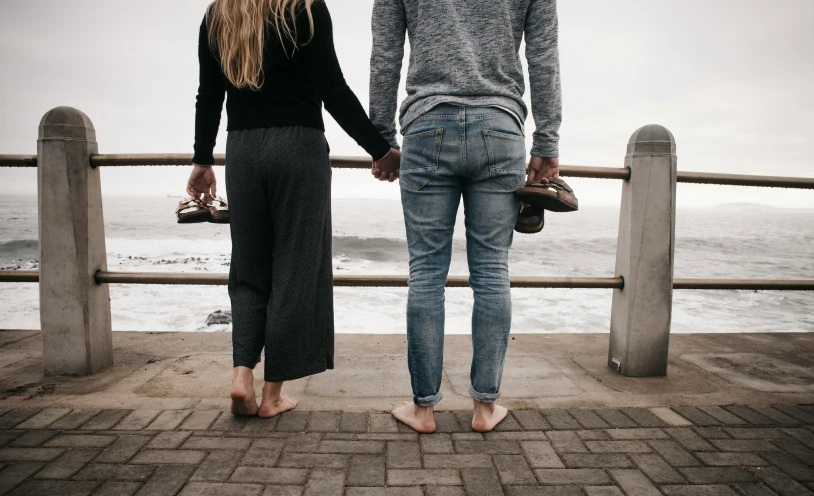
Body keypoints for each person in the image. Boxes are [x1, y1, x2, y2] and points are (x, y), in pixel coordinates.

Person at [187, 0, 401, 418]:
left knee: (248, 270)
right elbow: (332, 87)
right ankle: (272, 396)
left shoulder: (219, 14)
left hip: (243, 150)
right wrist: (379, 150)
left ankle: (241, 375)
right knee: (296, 268)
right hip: (299, 147)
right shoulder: (302, 8)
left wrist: (202, 160)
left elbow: (208, 94)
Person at [370, 0, 562, 432]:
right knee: (492, 271)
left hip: (425, 125)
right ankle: (484, 407)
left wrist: (381, 140)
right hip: (500, 125)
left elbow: (385, 52)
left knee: (426, 272)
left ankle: (422, 410)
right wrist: (547, 142)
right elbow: (543, 56)